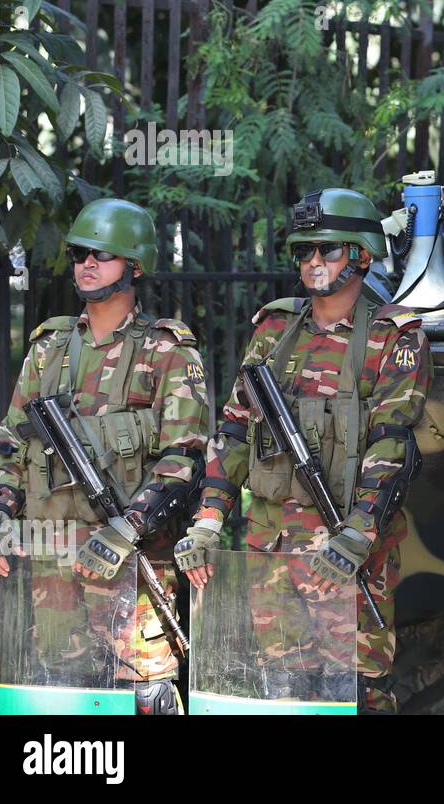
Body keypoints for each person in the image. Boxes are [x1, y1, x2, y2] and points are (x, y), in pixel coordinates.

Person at [174, 188, 430, 713]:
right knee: (282, 692)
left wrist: (357, 536)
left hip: (348, 554)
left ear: (361, 254)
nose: (314, 262)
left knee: (359, 692)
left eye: (329, 250)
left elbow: (392, 445)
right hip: (272, 549)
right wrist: (206, 520)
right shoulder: (274, 328)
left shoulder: (393, 336)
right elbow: (237, 428)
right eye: (304, 251)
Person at [0, 198, 208, 714]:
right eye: (81, 253)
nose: (88, 264)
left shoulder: (166, 351)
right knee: (62, 692)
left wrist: (127, 527)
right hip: (52, 556)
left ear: (136, 265)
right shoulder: (48, 348)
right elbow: (13, 444)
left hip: (131, 559)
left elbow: (184, 458)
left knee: (142, 692)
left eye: (104, 254)